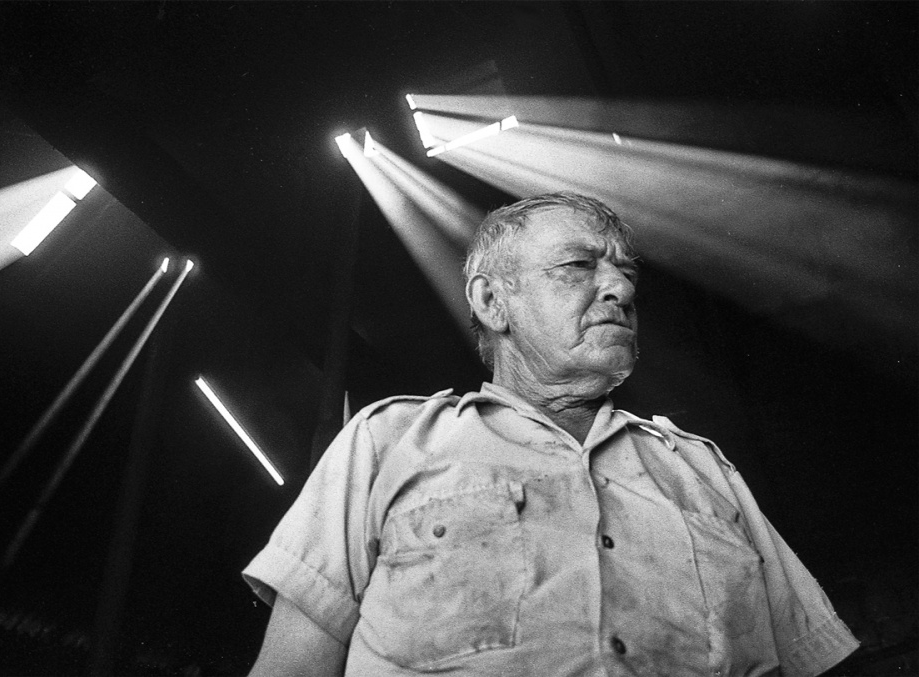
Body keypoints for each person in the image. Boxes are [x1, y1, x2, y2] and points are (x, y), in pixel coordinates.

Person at [244, 193, 858, 676]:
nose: (621, 289)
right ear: (492, 301)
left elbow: (813, 660)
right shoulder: (388, 442)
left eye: (625, 273)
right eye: (578, 266)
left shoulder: (701, 468)